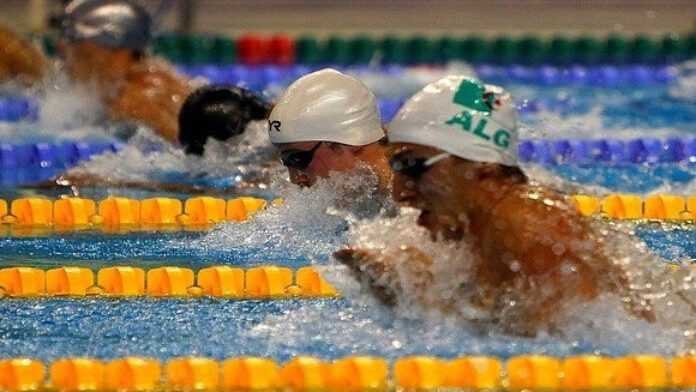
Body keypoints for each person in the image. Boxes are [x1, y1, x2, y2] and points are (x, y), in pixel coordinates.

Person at [335, 75, 654, 334]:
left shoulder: (525, 228)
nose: (400, 192)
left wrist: (422, 302)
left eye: (413, 166)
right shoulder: (483, 224)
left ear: (480, 165)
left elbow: (558, 352)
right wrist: (407, 291)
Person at [0, 0, 269, 154]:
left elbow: (198, 162)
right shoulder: (121, 82)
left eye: (74, 41)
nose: (62, 48)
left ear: (111, 47)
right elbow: (32, 67)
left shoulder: (137, 99)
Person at [268, 68, 391, 191]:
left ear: (351, 142)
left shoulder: (402, 201)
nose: (295, 179)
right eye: (286, 161)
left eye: (298, 159)